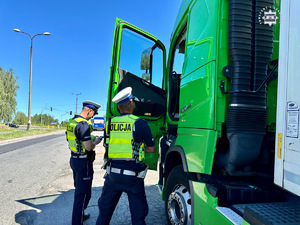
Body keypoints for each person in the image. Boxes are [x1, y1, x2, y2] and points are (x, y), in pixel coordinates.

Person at [96, 87, 155, 225]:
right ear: (131, 103)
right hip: (133, 177)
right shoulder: (140, 123)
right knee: (138, 217)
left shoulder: (110, 123)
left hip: (112, 176)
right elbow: (151, 149)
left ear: (118, 107)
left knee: (104, 214)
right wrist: (139, 148)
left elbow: (107, 146)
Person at [66, 100, 103, 225]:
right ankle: (77, 221)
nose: (92, 116)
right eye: (93, 114)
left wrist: (91, 138)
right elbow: (88, 147)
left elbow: (75, 139)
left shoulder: (72, 122)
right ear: (89, 111)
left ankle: (81, 214)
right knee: (82, 194)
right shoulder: (83, 125)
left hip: (74, 160)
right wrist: (96, 142)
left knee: (80, 189)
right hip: (83, 163)